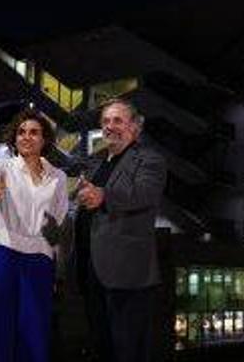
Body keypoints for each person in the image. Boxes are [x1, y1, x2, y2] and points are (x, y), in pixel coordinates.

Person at [75, 98, 167, 362]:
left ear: (135, 127)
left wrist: (103, 196)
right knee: (102, 346)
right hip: (92, 269)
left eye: (118, 120)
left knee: (129, 349)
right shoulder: (97, 163)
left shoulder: (149, 159)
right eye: (105, 121)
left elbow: (145, 193)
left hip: (128, 272)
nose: (110, 126)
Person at [0, 108, 69, 362]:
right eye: (21, 132)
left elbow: (55, 227)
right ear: (15, 139)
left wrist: (54, 267)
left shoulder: (58, 177)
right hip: (3, 253)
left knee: (35, 332)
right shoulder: (2, 166)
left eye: (34, 132)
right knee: (0, 328)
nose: (26, 137)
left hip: (40, 258)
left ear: (44, 140)